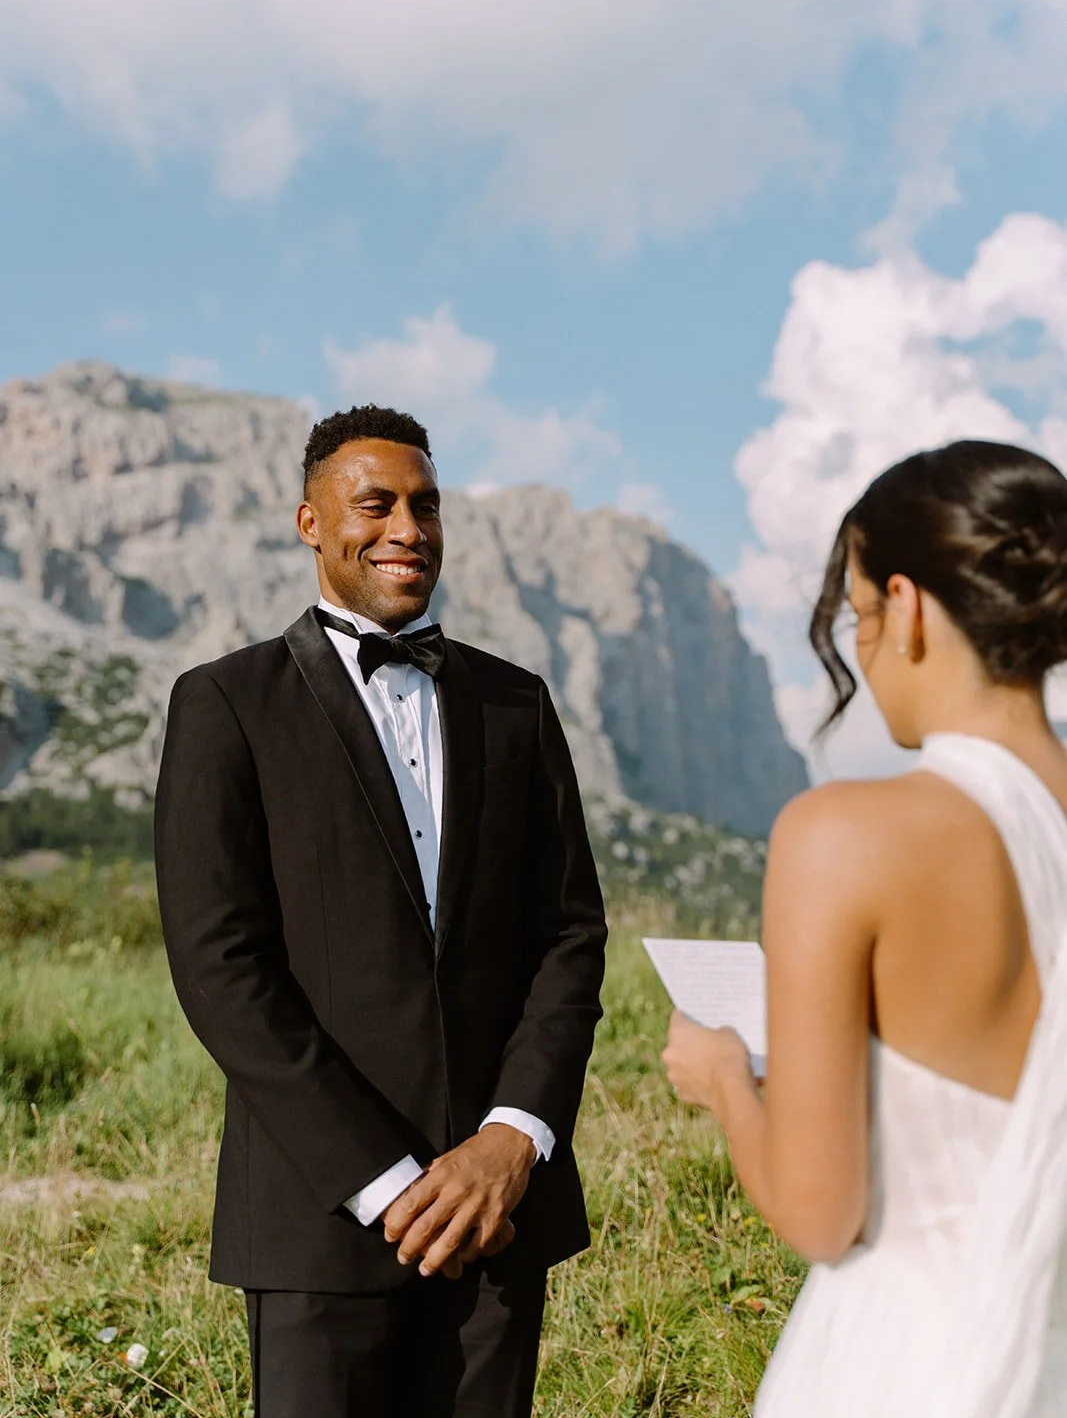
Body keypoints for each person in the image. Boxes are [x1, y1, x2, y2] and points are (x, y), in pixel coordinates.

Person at [154, 404, 607, 1418]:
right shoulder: (224, 703)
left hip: (498, 1217)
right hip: (322, 1217)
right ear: (310, 522)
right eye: (376, 503)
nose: (408, 526)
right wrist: (383, 1177)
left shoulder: (516, 704)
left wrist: (511, 1138)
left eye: (426, 504)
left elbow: (568, 937)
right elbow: (219, 964)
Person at [662, 438, 1067, 1417]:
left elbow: (818, 1212)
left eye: (855, 613)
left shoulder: (841, 835)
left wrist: (721, 1077)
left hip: (904, 1366)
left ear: (910, 606)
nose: (856, 648)